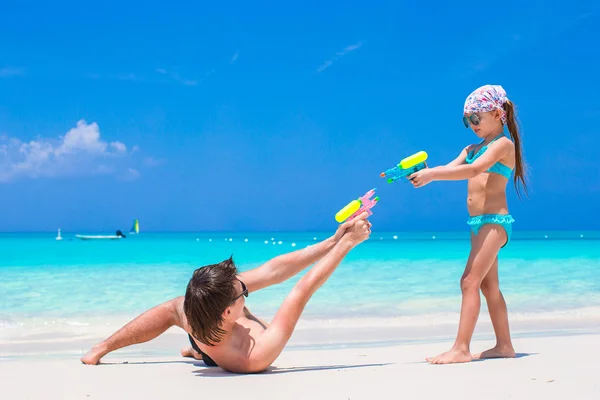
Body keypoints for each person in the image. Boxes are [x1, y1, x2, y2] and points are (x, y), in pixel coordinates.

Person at [81, 213, 372, 373]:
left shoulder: (197, 308)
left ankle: (106, 349)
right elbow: (301, 290)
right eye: (240, 292)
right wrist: (349, 244)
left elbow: (274, 271)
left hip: (207, 336)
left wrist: (332, 241)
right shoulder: (254, 356)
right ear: (228, 311)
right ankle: (194, 352)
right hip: (216, 348)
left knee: (175, 309)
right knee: (178, 315)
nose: (245, 288)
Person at [408, 84, 528, 364]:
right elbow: (453, 168)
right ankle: (505, 346)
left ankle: (461, 349)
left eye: (477, 118)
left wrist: (433, 175)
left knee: (468, 282)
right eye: (467, 120)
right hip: (477, 224)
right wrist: (424, 174)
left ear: (498, 114)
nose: (472, 125)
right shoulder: (471, 148)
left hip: (495, 222)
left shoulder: (503, 145)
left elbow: (474, 170)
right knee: (488, 287)